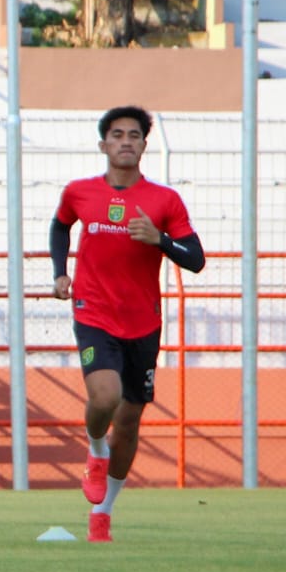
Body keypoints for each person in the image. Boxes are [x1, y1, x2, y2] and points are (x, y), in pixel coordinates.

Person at [51, 105, 205, 544]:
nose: (125, 141)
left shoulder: (164, 201)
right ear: (103, 145)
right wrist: (60, 272)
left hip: (142, 322)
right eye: (116, 134)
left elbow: (195, 259)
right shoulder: (80, 192)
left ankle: (103, 512)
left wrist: (161, 240)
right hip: (93, 310)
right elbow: (61, 226)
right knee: (106, 395)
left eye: (133, 135)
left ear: (143, 145)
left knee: (132, 420)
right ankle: (96, 449)